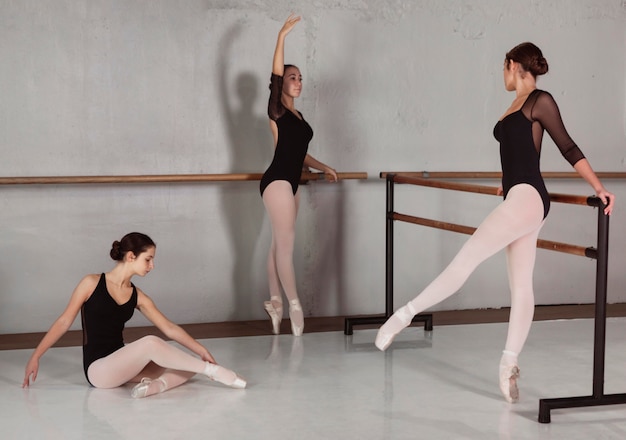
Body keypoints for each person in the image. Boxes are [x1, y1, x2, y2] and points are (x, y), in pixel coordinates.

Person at [375, 42, 615, 403]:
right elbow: (517, 152)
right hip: (519, 197)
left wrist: (598, 187)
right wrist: (508, 179)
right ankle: (508, 365)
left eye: (502, 68)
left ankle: (403, 315)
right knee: (520, 286)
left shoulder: (539, 100)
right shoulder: (513, 106)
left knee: (466, 260)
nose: (501, 75)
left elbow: (567, 146)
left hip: (529, 197)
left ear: (512, 64)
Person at [22, 232, 246, 398]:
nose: (152, 265)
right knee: (150, 342)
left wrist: (201, 350)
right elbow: (63, 322)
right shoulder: (90, 283)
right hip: (99, 371)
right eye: (148, 259)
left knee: (186, 364)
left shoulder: (137, 296)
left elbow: (168, 327)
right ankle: (214, 372)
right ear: (131, 256)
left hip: (124, 366)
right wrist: (36, 356)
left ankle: (154, 387)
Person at [259, 14, 338, 336]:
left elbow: (299, 154)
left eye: (301, 78)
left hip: (292, 182)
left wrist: (324, 167)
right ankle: (294, 306)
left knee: (277, 246)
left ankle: (275, 302)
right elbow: (275, 75)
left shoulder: (298, 116)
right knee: (287, 247)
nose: (298, 82)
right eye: (293, 77)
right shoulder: (276, 109)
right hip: (276, 181)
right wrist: (282, 36)